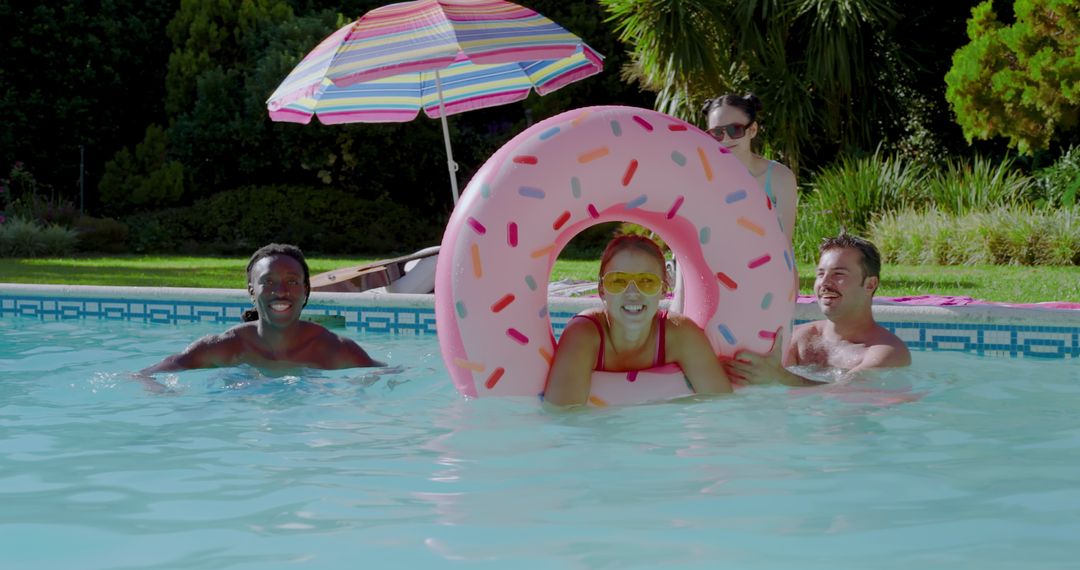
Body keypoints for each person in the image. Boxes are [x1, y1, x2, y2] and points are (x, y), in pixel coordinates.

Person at [544, 235, 738, 406]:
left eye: (647, 281)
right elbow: (563, 419)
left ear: (663, 289)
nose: (633, 293)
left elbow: (720, 408)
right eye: (618, 280)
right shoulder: (583, 336)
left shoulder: (681, 334)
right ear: (602, 289)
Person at [139, 243, 384, 375]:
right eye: (268, 281)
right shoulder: (226, 346)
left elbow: (386, 375)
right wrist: (160, 392)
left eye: (292, 281)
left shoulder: (333, 349)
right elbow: (148, 374)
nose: (281, 291)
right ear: (251, 291)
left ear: (306, 291)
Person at [725, 233, 911, 385]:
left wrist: (780, 377)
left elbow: (846, 396)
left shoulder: (888, 353)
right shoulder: (798, 339)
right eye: (821, 274)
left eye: (839, 274)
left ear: (870, 285)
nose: (825, 283)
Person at [703, 93, 798, 239]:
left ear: (752, 130)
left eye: (735, 129)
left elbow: (783, 243)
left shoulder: (779, 178)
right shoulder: (702, 179)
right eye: (716, 133)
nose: (726, 139)